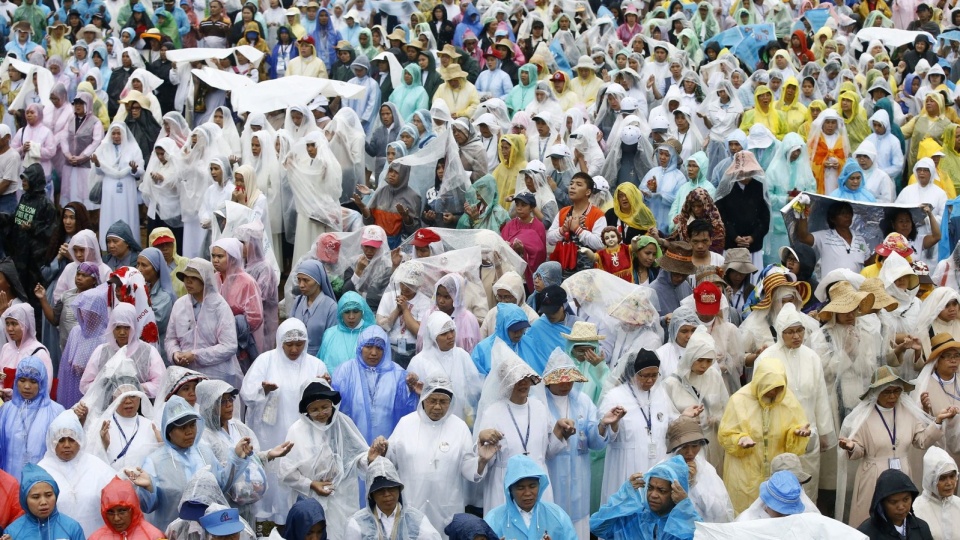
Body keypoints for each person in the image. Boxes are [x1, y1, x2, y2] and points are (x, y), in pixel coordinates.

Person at [837, 366, 953, 526]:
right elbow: (859, 450)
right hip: (873, 476)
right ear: (876, 393)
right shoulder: (864, 416)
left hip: (902, 473)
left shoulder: (907, 411)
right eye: (887, 392)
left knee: (901, 518)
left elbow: (921, 441)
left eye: (896, 391)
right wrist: (851, 447)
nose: (892, 396)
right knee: (872, 522)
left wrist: (937, 422)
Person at [240, 319, 328, 525]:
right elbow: (247, 393)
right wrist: (263, 390)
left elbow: (325, 400)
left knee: (301, 470)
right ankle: (271, 518)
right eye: (289, 344)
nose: (295, 349)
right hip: (273, 432)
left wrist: (325, 385)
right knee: (275, 472)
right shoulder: (265, 361)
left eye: (299, 344)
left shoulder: (315, 364)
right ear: (280, 342)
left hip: (306, 431)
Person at [123, 395, 254, 531]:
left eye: (192, 425)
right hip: (172, 532)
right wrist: (148, 489)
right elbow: (147, 507)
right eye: (182, 428)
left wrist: (237, 459)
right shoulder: (154, 462)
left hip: (208, 530)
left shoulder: (204, 453)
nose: (189, 432)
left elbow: (220, 486)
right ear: (169, 431)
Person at [384, 377, 492, 534]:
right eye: (432, 400)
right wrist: (382, 450)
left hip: (446, 507)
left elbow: (467, 468)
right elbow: (390, 460)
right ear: (423, 399)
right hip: (413, 503)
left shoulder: (459, 427)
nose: (437, 406)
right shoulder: (406, 424)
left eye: (443, 402)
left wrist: (481, 461)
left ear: (451, 403)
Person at [278, 378, 376, 536]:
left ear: (332, 404)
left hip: (343, 497)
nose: (321, 413)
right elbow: (286, 471)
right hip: (310, 499)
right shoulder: (297, 431)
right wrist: (310, 484)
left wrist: (370, 458)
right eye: (314, 409)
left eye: (325, 407)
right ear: (306, 411)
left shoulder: (344, 424)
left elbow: (357, 457)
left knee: (343, 533)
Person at [542, 349, 622, 537]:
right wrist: (559, 434)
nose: (566, 384)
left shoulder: (583, 401)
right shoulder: (539, 404)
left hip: (579, 476)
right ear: (550, 380)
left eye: (570, 379)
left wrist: (603, 425)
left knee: (579, 528)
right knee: (552, 523)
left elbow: (594, 442)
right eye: (561, 379)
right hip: (552, 474)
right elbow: (541, 447)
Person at [718, 357, 812, 514]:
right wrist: (739, 439)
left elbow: (794, 435)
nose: (774, 392)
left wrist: (797, 434)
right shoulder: (739, 401)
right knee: (744, 517)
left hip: (776, 476)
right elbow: (724, 435)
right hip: (744, 474)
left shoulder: (788, 401)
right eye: (769, 387)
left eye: (778, 387)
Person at [166, 258, 242, 390]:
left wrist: (196, 355)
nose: (188, 282)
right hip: (186, 376)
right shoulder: (180, 304)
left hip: (216, 376)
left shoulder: (220, 307)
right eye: (185, 277)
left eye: (194, 278)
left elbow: (229, 345)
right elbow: (171, 339)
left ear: (205, 280)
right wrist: (175, 354)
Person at [37, 410, 116, 537]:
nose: (67, 445)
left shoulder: (98, 467)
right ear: (52, 442)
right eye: (61, 440)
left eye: (72, 439)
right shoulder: (41, 471)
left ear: (80, 440)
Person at [664, 326, 730, 471]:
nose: (704, 366)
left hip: (712, 442)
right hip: (685, 448)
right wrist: (683, 419)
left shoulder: (714, 376)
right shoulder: (672, 383)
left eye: (708, 361)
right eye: (700, 360)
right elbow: (665, 418)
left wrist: (716, 418)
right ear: (691, 356)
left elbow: (726, 407)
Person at [591, 454, 701, 540]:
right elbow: (597, 527)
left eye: (661, 491)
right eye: (650, 488)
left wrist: (684, 507)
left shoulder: (683, 523)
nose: (653, 495)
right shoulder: (634, 518)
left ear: (675, 493)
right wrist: (623, 497)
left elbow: (701, 536)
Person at [0, 356, 64, 483]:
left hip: (42, 485)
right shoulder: (6, 410)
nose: (27, 386)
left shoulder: (56, 411)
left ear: (42, 383)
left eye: (33, 381)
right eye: (22, 380)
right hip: (10, 481)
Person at [343, 456, 442, 539]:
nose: (387, 494)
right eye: (380, 490)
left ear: (399, 489)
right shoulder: (357, 524)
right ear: (371, 494)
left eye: (391, 488)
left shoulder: (417, 521)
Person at [483, 455, 577, 540]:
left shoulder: (557, 515)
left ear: (540, 485)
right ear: (510, 489)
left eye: (532, 486)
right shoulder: (494, 519)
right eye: (520, 488)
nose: (527, 493)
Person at [2, 463, 85, 540]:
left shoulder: (72, 528)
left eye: (48, 495)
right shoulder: (13, 532)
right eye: (35, 497)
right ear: (25, 500)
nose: (43, 502)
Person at [856, 469, 935, 539]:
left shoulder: (921, 528)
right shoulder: (866, 533)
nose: (901, 507)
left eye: (906, 499)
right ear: (881, 503)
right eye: (893, 502)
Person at [88, 476, 165, 540]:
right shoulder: (95, 538)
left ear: (133, 509)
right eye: (110, 512)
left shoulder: (155, 536)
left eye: (122, 511)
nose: (116, 518)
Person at [318, 291, 375, 373]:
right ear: (340, 313)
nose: (351, 317)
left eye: (355, 311)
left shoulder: (372, 334)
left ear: (362, 312)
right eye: (347, 311)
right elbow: (321, 365)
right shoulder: (330, 334)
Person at [289, 260, 337, 357]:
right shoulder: (298, 302)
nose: (301, 285)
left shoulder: (331, 307)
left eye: (306, 280)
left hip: (319, 358)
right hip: (296, 357)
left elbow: (331, 343)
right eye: (299, 280)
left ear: (318, 281)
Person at [735, 471, 807, 521]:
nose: (785, 516)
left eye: (789, 513)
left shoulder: (802, 520)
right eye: (780, 512)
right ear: (767, 502)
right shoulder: (747, 522)